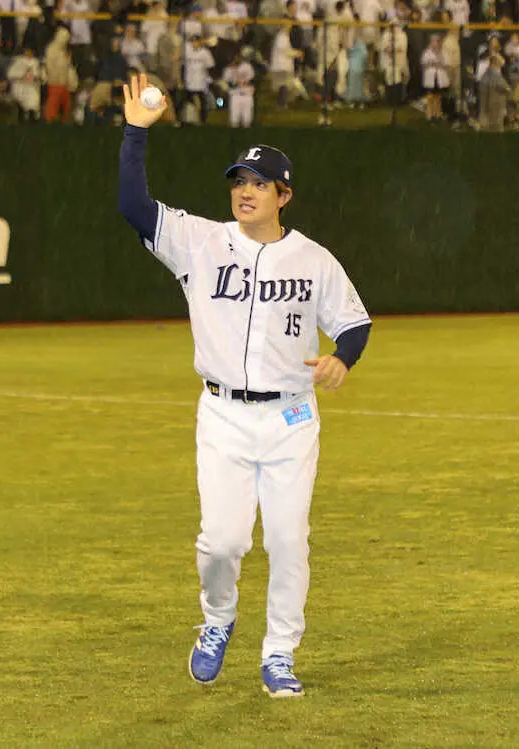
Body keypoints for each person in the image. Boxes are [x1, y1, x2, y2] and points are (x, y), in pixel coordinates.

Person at [117, 74, 371, 698]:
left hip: (290, 421)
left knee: (288, 543)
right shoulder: (200, 243)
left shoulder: (313, 259)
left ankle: (279, 653)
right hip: (224, 418)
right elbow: (132, 207)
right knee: (222, 542)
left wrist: (344, 357)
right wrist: (135, 135)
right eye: (239, 181)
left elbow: (354, 322)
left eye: (259, 183)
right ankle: (217, 620)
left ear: (284, 194)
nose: (245, 191)